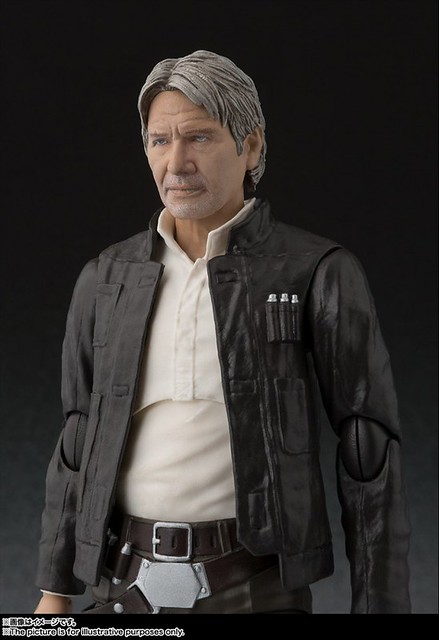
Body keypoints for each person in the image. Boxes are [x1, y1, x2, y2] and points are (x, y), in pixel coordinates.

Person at [34, 50, 411, 615]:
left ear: (250, 147)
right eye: (160, 140)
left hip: (253, 589)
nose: (176, 162)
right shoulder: (107, 278)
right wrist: (54, 594)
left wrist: (380, 604)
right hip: (121, 590)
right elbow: (75, 441)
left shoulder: (314, 270)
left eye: (199, 137)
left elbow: (369, 454)